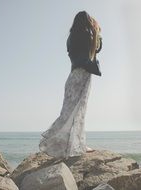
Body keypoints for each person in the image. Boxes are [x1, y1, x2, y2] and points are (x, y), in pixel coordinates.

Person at [39, 11, 102, 159]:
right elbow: (96, 49)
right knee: (79, 112)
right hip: (83, 76)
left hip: (72, 77)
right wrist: (97, 31)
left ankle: (63, 144)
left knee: (67, 112)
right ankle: (78, 145)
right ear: (87, 22)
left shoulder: (71, 37)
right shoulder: (88, 35)